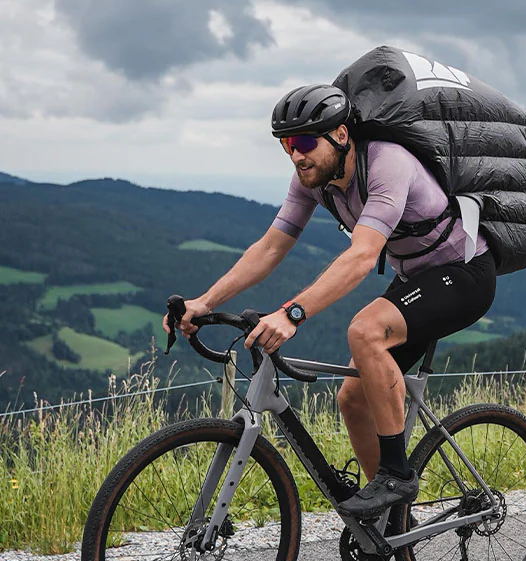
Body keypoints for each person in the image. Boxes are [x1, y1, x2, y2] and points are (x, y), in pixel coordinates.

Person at [164, 83, 497, 519]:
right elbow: (270, 247)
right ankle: (390, 523)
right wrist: (205, 301)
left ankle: (397, 474)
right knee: (352, 399)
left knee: (365, 330)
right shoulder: (314, 180)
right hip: (416, 278)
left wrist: (293, 313)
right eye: (287, 145)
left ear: (341, 134)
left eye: (304, 142)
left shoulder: (387, 163)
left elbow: (361, 256)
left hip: (463, 274)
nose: (296, 155)